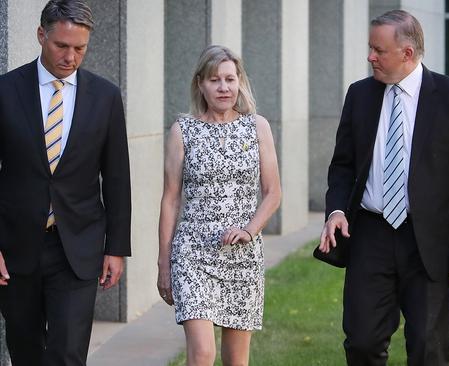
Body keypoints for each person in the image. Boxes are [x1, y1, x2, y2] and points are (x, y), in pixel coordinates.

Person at [318, 9, 449, 366]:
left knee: (429, 346)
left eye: (378, 50)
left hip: (429, 239)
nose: (370, 57)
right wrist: (335, 211)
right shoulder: (360, 95)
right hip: (370, 235)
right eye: (370, 48)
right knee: (362, 341)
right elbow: (343, 166)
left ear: (407, 53)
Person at [0, 0, 131, 365]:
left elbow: (117, 176)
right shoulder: (5, 91)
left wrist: (116, 248)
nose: (70, 57)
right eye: (62, 46)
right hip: (16, 247)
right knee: (26, 351)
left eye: (80, 48)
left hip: (78, 246)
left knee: (68, 352)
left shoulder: (105, 97)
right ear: (41, 35)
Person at [157, 45, 281, 366]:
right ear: (201, 84)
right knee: (202, 353)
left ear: (239, 82)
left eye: (229, 79)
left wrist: (249, 230)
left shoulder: (257, 127)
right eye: (215, 80)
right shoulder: (183, 131)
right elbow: (170, 199)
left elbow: (273, 192)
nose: (223, 87)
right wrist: (164, 264)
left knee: (236, 361)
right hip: (193, 254)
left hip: (242, 256)